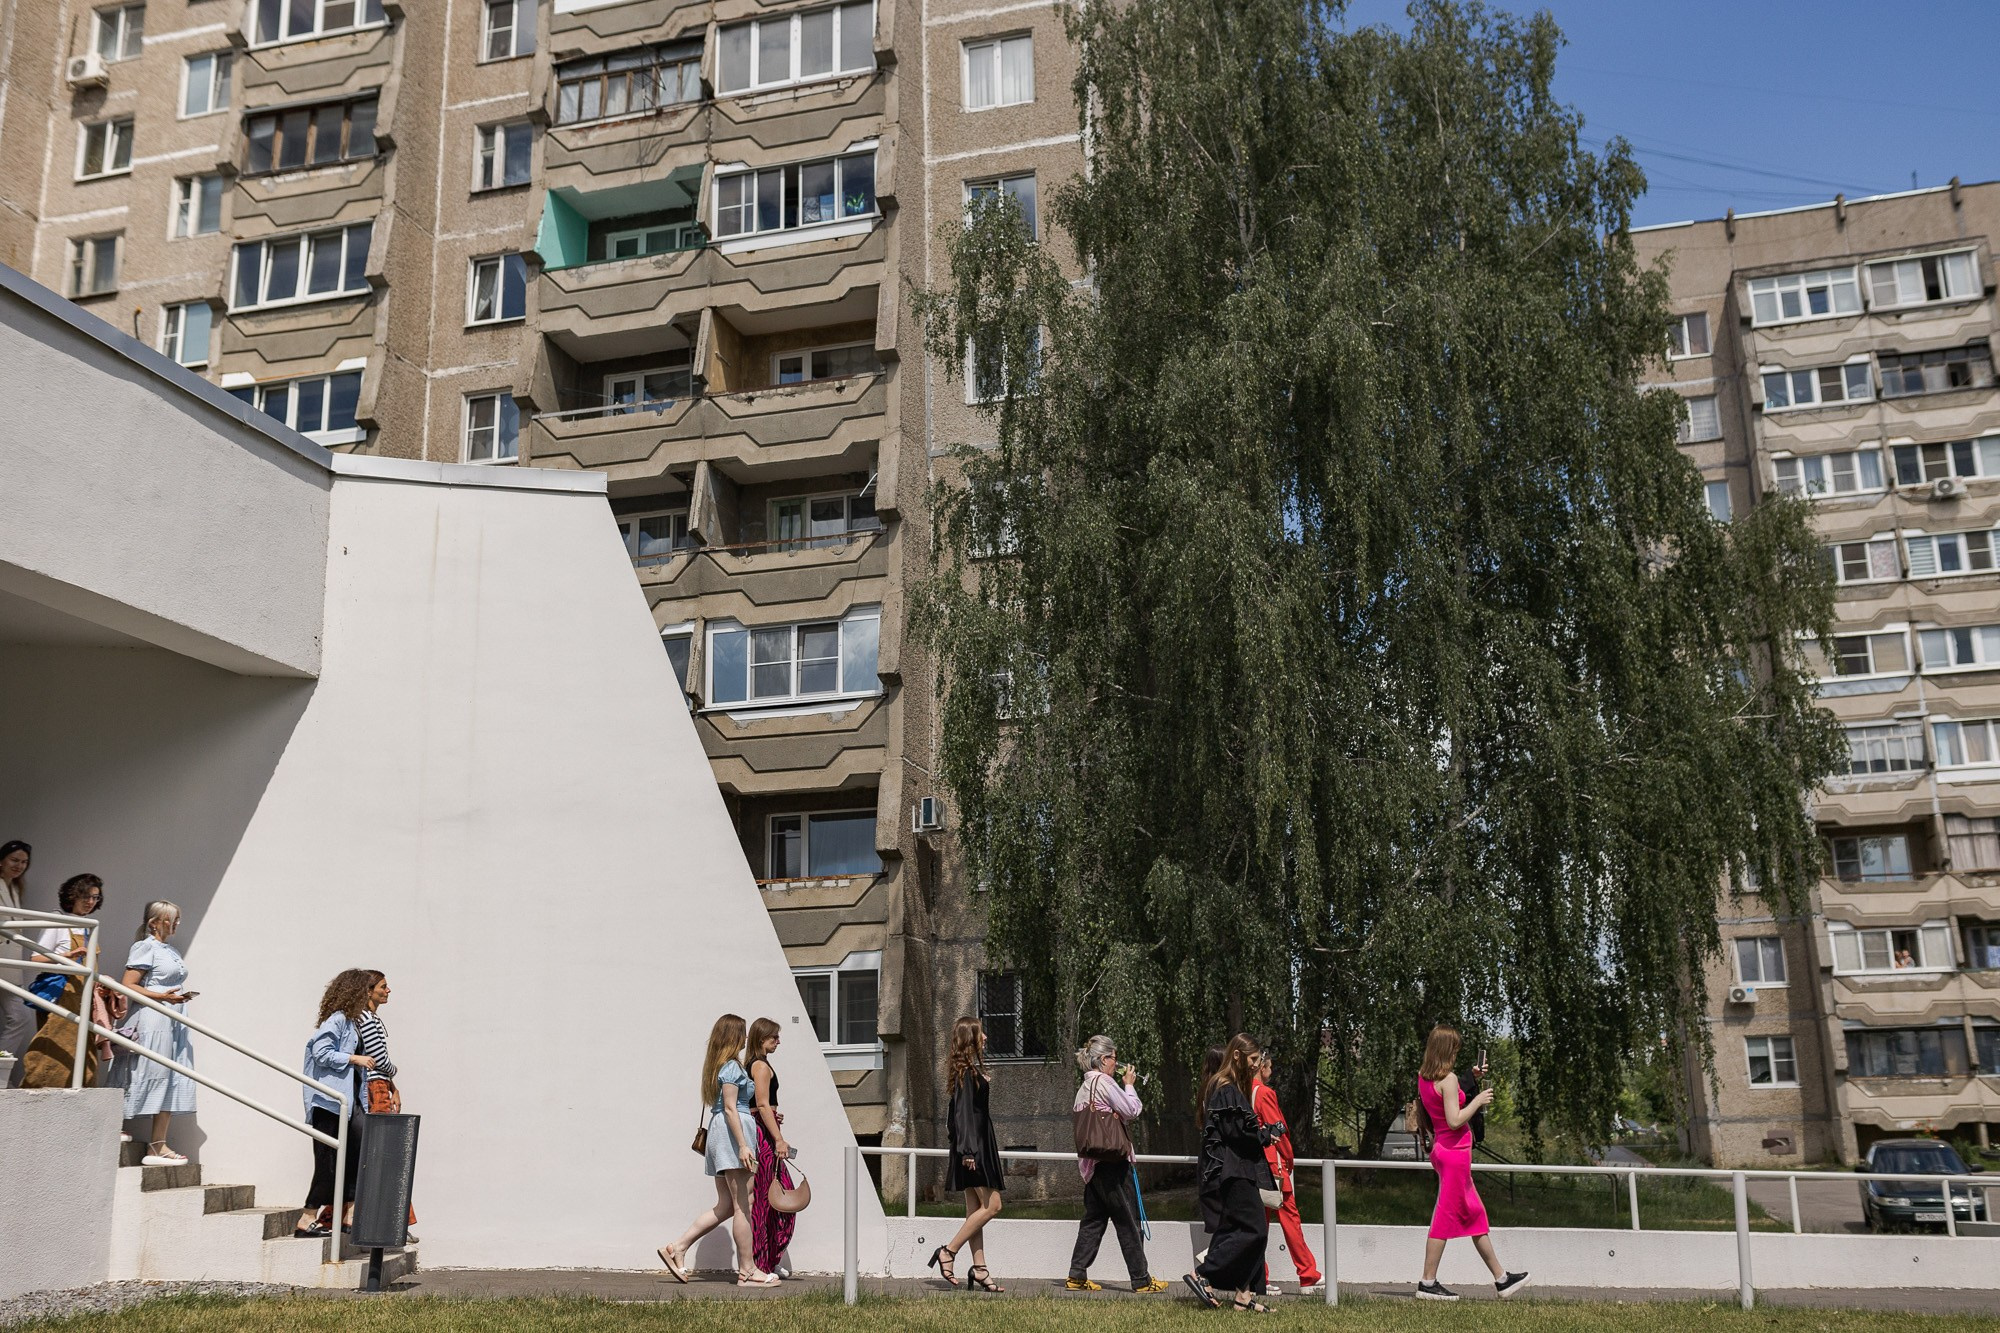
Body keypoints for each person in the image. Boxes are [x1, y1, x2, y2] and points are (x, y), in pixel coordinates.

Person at [658, 1014, 777, 1286]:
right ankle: (748, 1270)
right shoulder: (733, 1068)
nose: (746, 1038)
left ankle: (677, 1247)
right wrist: (744, 1146)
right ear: (733, 1036)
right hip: (733, 1137)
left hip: (722, 1135)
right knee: (743, 1206)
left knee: (726, 1205)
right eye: (743, 1033)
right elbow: (732, 1107)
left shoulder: (718, 1067)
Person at [1413, 1024, 1527, 1301]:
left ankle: (1502, 1279)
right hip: (1454, 1153)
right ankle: (1427, 1283)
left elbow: (1442, 1105)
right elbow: (1454, 1120)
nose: (1457, 1053)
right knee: (1443, 1218)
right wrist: (1477, 1101)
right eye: (1455, 1049)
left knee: (1475, 1214)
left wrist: (1470, 1077)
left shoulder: (1426, 1077)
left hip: (1445, 1150)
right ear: (1447, 1050)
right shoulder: (1448, 1079)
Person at [1185, 1034, 1281, 1313]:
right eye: (1252, 1059)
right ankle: (1204, 1275)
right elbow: (1236, 1133)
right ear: (1237, 1056)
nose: (1256, 1065)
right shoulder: (1226, 1087)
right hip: (1234, 1170)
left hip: (1236, 1169)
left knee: (1240, 1230)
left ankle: (1243, 1295)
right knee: (1254, 1229)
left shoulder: (1226, 1086)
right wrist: (1264, 1135)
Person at [1066, 1034, 1167, 1294]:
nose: (1116, 1062)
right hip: (1113, 1162)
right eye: (1113, 1057)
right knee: (1128, 1221)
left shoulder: (1083, 1089)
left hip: (1093, 1165)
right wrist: (1130, 1085)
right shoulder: (1104, 1082)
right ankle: (1141, 1280)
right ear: (1102, 1060)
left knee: (1093, 1221)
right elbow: (1132, 1110)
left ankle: (1076, 1275)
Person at [113, 900, 196, 1165]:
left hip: (172, 1018)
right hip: (153, 1017)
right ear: (155, 922)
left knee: (170, 1074)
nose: (176, 924)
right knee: (146, 1069)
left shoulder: (169, 949)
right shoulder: (145, 946)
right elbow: (128, 984)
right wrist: (161, 996)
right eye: (172, 919)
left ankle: (158, 1144)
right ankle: (115, 1125)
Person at [19, 874, 121, 1089]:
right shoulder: (58, 921)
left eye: (95, 897)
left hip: (83, 997)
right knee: (54, 1046)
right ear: (72, 896)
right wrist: (68, 956)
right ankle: (38, 1092)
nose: (90, 902)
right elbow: (35, 958)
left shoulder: (87, 926)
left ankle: (80, 1094)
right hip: (61, 993)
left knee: (83, 1049)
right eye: (85, 896)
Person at [297, 968, 378, 1238]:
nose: (369, 995)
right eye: (366, 990)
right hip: (329, 1102)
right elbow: (320, 1052)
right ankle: (307, 1217)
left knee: (357, 1155)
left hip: (351, 1101)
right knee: (328, 1161)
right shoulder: (338, 1019)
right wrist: (354, 1059)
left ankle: (350, 1215)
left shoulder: (353, 1022)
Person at [930, 1016, 1005, 1291]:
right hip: (974, 1151)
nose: (985, 1038)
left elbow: (966, 1113)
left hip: (975, 1148)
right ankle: (948, 1252)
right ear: (970, 1038)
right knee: (993, 1206)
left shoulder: (968, 1071)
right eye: (980, 1033)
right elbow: (962, 1117)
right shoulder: (966, 1074)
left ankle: (980, 1268)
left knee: (975, 1211)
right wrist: (969, 1152)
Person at [1254, 1049, 1321, 1294]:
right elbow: (1277, 1130)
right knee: (1289, 1217)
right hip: (1273, 1164)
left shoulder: (1243, 1090)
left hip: (1254, 1163)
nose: (1271, 1074)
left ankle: (1260, 1276)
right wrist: (1289, 1157)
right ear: (1263, 1067)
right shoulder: (1264, 1093)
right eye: (1269, 1068)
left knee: (1258, 1222)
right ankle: (1307, 1274)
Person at [746, 1016, 797, 1278]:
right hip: (764, 1136)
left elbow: (763, 1107)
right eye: (774, 1037)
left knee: (773, 1196)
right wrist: (778, 1138)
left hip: (764, 1129)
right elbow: (763, 1105)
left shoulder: (757, 1065)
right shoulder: (761, 1067)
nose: (778, 1041)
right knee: (771, 1197)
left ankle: (768, 1258)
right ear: (761, 1038)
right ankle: (761, 1262)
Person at [0, 840, 35, 1087]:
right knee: (19, 1016)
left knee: (20, 1017)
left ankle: (1, 1073)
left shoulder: (14, 889)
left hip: (10, 968)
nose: (19, 866)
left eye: (24, 862)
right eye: (14, 860)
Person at [1193, 1044, 1225, 1265]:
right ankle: (1206, 1269)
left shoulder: (1206, 1086)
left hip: (1208, 1155)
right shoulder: (1220, 1088)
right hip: (1218, 1157)